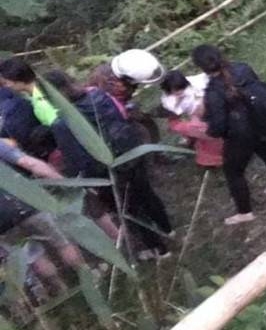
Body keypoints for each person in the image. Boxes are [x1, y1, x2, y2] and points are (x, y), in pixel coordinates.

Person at [46, 70, 172, 259]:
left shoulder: (62, 123)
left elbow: (77, 160)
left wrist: (86, 181)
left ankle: (158, 249)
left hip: (108, 168)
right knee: (146, 192)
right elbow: (120, 116)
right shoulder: (97, 94)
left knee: (130, 209)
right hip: (130, 150)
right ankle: (167, 228)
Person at [192, 44, 266, 226]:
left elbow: (218, 126)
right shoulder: (243, 68)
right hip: (260, 122)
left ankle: (245, 212)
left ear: (201, 68)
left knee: (233, 172)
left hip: (239, 135)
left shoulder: (213, 92)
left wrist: (206, 125)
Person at [0, 139, 89, 291]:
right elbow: (30, 163)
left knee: (33, 256)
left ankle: (62, 289)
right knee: (61, 242)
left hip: (3, 222)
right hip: (26, 201)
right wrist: (64, 182)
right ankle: (88, 280)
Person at [160, 70, 223, 170]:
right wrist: (178, 100)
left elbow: (204, 78)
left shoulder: (192, 83)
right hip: (195, 115)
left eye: (182, 88)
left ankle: (212, 158)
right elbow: (174, 111)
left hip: (205, 111)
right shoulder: (168, 99)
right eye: (176, 90)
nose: (180, 92)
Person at [0, 58, 58, 127]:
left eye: (6, 83)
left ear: (18, 80)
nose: (6, 86)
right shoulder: (41, 87)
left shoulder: (41, 106)